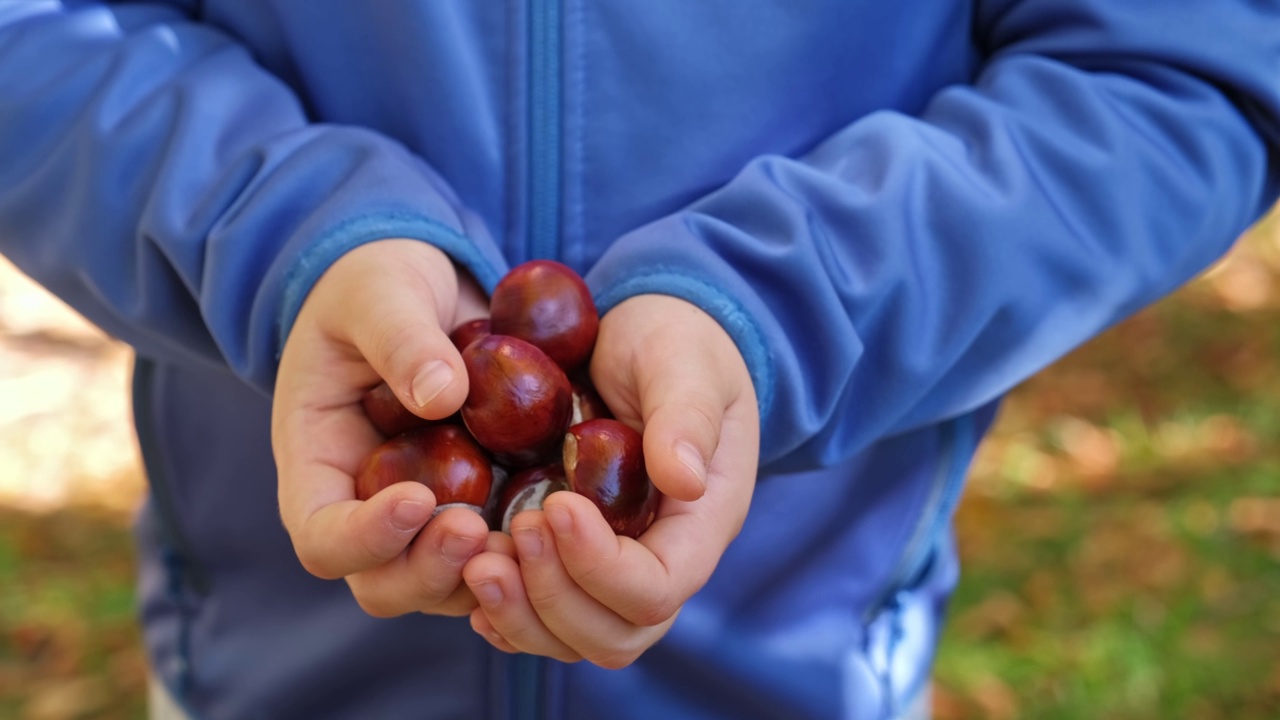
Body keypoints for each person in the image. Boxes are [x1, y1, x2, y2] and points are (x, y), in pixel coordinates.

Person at [1, 2, 1277, 718]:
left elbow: (1180, 65)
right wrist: (277, 231)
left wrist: (785, 303)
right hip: (280, 678)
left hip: (791, 676)